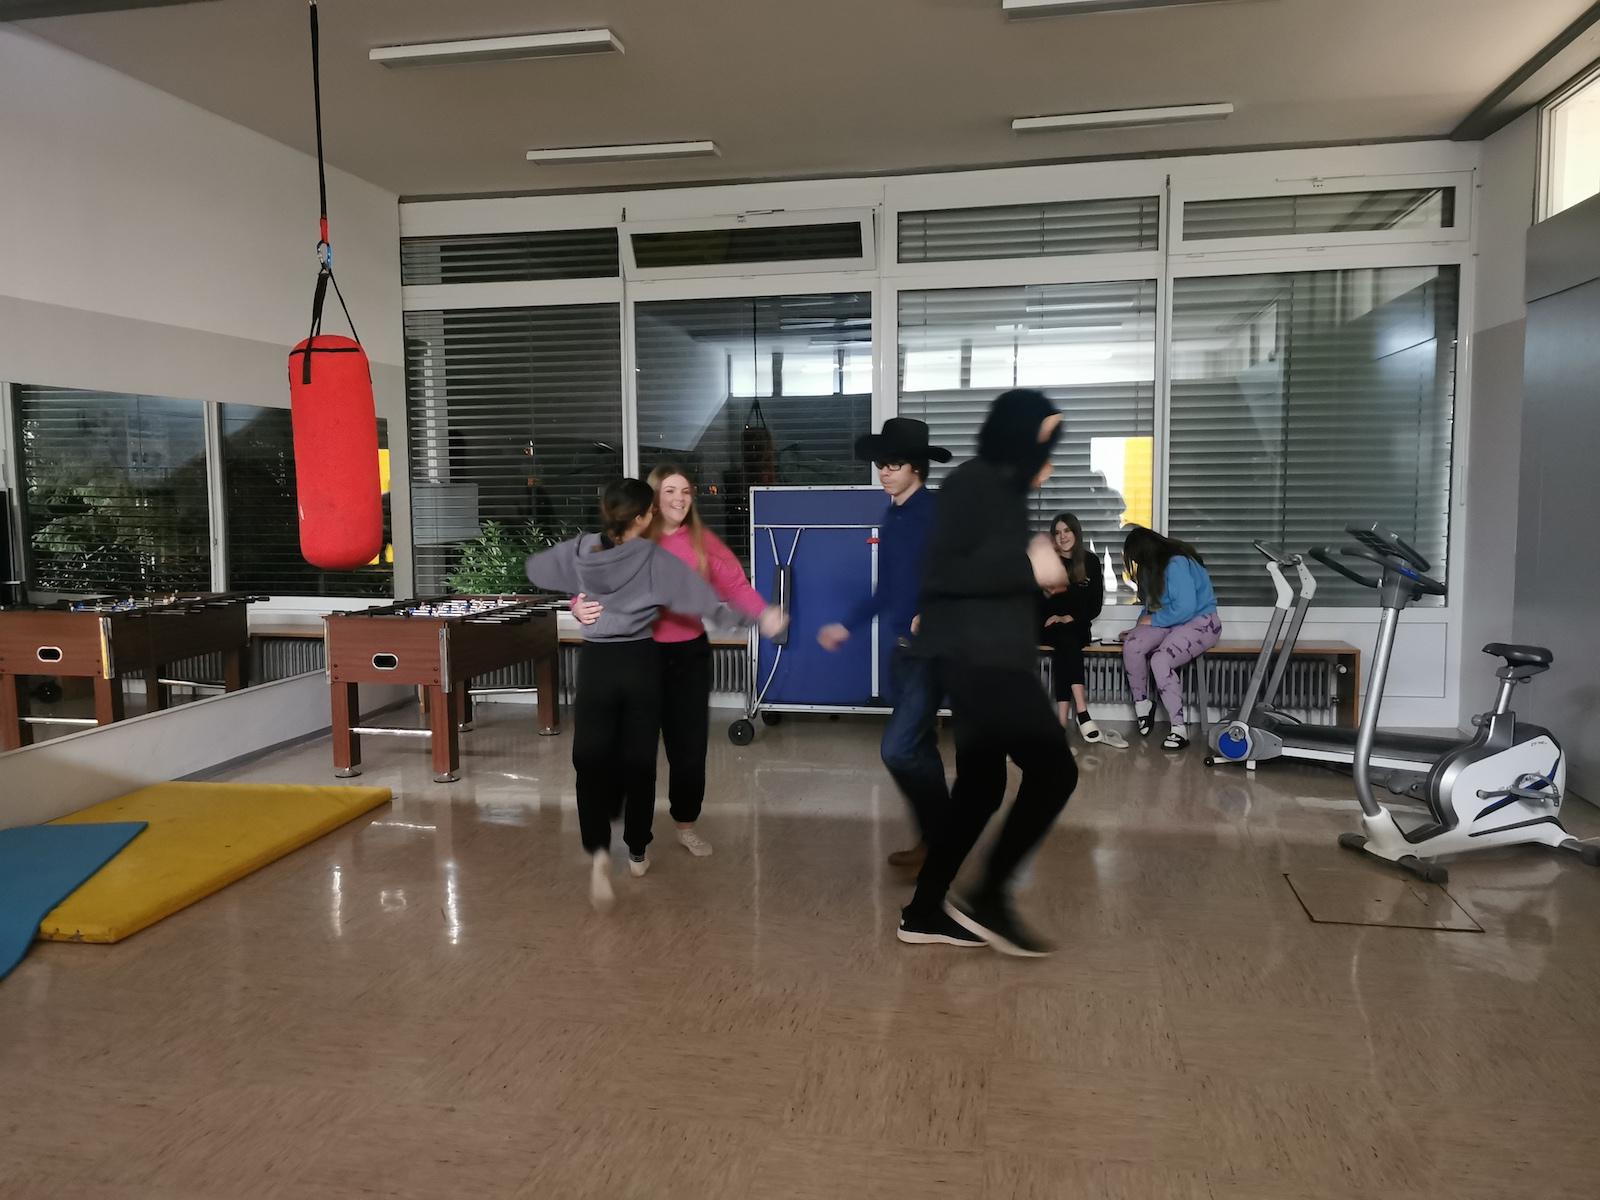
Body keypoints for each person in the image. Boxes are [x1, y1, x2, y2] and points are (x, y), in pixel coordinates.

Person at [526, 479, 786, 911]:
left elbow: (538, 569)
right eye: (656, 505)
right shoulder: (626, 554)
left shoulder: (613, 552)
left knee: (612, 759)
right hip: (621, 661)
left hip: (618, 662)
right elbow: (703, 603)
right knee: (617, 759)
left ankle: (617, 847)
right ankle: (621, 849)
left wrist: (578, 599)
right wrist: (575, 601)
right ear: (643, 515)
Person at [897, 389, 1079, 957]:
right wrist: (1030, 566)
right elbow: (945, 573)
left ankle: (923, 911)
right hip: (982, 664)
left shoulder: (1003, 490)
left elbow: (989, 573)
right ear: (1017, 435)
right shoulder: (973, 483)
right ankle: (991, 899)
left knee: (981, 789)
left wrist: (1033, 572)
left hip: (990, 659)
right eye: (1042, 442)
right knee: (1054, 773)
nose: (1048, 459)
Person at [571, 464, 781, 859]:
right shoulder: (631, 537)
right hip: (639, 653)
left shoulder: (702, 542)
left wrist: (763, 613)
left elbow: (737, 587)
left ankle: (686, 824)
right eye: (670, 490)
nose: (679, 498)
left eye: (685, 491)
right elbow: (589, 584)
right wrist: (578, 607)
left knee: (688, 752)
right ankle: (637, 839)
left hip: (687, 657)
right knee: (636, 755)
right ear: (652, 499)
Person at [817, 418, 951, 870]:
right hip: (902, 651)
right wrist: (847, 625)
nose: (884, 472)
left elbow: (960, 574)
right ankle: (937, 839)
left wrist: (933, 610)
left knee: (897, 749)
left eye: (893, 464)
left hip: (930, 653)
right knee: (920, 748)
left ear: (916, 467)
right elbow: (887, 590)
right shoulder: (893, 516)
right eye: (881, 464)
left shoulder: (934, 513)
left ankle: (944, 833)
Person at [1118, 525, 1221, 750]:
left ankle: (1178, 729)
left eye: (1137, 558)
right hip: (1170, 621)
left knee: (1160, 660)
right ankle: (1143, 705)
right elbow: (1151, 608)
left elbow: (1185, 608)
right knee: (1132, 645)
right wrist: (1138, 627)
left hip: (1201, 621)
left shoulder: (1176, 564)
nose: (1136, 564)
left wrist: (1152, 621)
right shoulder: (1149, 569)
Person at [1039, 511, 1109, 742]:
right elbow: (1039, 602)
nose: (1062, 536)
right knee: (1064, 638)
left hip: (1077, 627)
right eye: (1057, 533)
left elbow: (1094, 606)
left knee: (1066, 641)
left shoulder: (1090, 562)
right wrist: (1057, 616)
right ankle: (1082, 711)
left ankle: (1061, 722)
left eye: (1067, 531)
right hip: (1050, 627)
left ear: (1076, 532)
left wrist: (1070, 617)